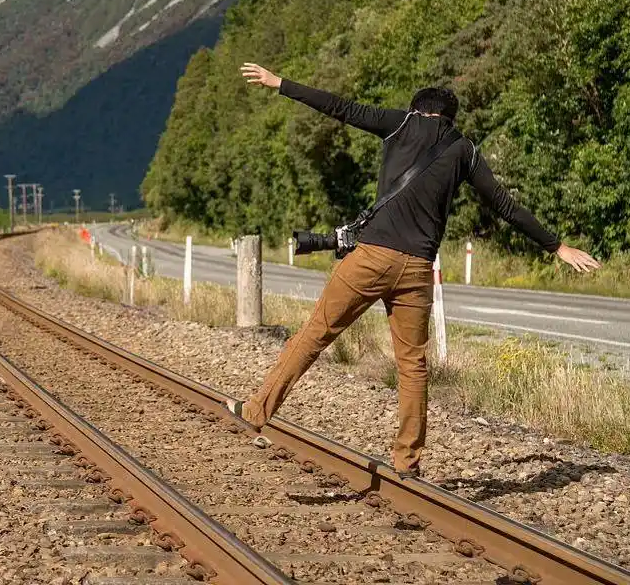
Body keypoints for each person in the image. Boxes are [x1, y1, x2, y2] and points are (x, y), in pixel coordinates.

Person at [230, 62, 601, 478]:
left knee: (314, 334)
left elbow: (340, 108)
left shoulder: (400, 124)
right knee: (412, 366)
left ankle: (258, 410)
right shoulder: (464, 150)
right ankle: (407, 461)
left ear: (419, 111)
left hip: (370, 260)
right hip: (418, 271)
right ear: (448, 117)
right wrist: (557, 246)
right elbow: (503, 204)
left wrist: (279, 83)